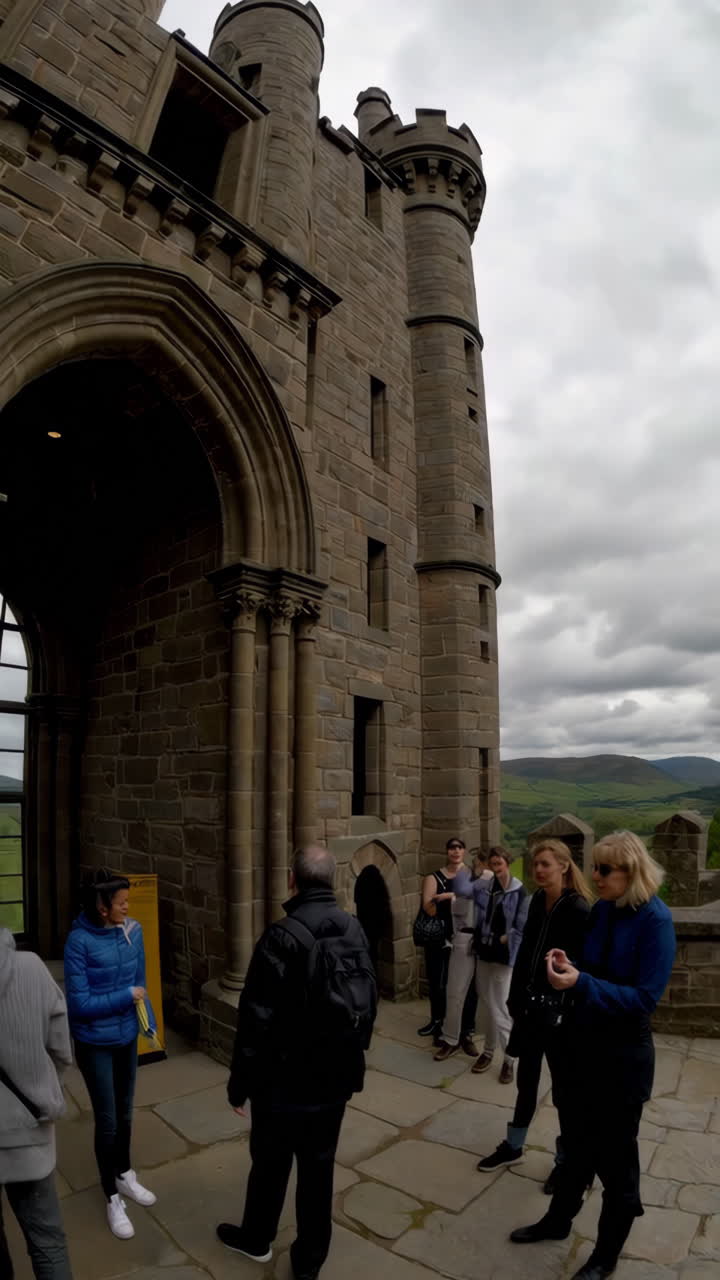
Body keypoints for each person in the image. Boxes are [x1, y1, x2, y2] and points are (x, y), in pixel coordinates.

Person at [510, 831, 676, 1280]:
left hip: (622, 1059)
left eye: (604, 869)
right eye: (595, 867)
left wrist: (581, 982)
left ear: (631, 872)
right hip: (583, 1047)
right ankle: (558, 1221)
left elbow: (644, 999)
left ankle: (605, 1256)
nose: (595, 876)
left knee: (617, 1163)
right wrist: (569, 965)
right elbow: (592, 969)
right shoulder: (603, 909)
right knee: (576, 1146)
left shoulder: (656, 921)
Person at [218, 845, 377, 1280]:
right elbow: (369, 999)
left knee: (270, 1163)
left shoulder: (281, 936)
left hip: (284, 1082)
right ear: (331, 880)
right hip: (335, 1078)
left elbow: (255, 1019)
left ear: (293, 880)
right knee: (318, 1169)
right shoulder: (354, 928)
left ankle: (257, 1238)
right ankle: (309, 1262)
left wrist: (239, 1085)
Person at [476, 839, 592, 1178]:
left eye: (545, 864)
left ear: (564, 866)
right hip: (530, 1007)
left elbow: (583, 964)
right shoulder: (538, 899)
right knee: (526, 1080)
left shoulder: (578, 908)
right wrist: (515, 996)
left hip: (559, 1013)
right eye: (535, 864)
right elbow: (526, 950)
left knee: (564, 1091)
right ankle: (513, 1146)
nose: (538, 870)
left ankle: (566, 1162)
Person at [64, 869, 157, 1241]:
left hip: (126, 1036)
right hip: (94, 1044)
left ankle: (124, 1174)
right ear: (102, 908)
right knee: (107, 1121)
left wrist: (145, 1019)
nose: (127, 907)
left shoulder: (133, 931)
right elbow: (80, 1005)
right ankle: (111, 1197)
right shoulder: (78, 942)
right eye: (121, 903)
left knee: (125, 1113)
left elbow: (141, 981)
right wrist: (126, 997)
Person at [0, 928, 74, 1280]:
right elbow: (61, 1050)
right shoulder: (30, 967)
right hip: (29, 1130)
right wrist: (41, 1091)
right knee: (48, 1243)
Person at [453, 846, 528, 1083]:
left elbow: (522, 927)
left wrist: (505, 939)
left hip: (504, 956)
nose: (495, 869)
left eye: (499, 864)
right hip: (484, 952)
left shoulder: (519, 891)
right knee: (487, 1004)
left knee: (500, 1006)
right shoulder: (485, 886)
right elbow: (462, 890)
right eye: (492, 864)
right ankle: (488, 1051)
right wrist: (473, 869)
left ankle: (510, 1059)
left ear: (507, 863)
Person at [433, 848, 493, 1062]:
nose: (478, 865)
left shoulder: (491, 879)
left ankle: (468, 1034)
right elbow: (462, 895)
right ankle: (450, 1039)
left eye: (481, 862)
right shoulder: (464, 878)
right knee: (455, 991)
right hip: (464, 936)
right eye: (477, 861)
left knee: (480, 993)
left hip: (486, 940)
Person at [416, 837, 477, 1045]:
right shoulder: (433, 877)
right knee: (437, 981)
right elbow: (429, 908)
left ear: (464, 851)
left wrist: (448, 896)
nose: (456, 851)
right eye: (452, 847)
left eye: (459, 847)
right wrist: (457, 900)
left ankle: (466, 1028)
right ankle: (437, 1021)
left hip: (466, 936)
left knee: (467, 985)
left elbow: (477, 903)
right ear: (447, 851)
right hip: (439, 936)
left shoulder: (472, 876)